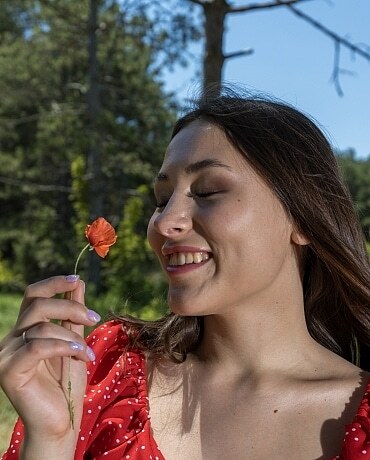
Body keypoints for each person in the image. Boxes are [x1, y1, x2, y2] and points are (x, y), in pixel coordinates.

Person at [1, 91, 370, 460]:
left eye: (208, 191)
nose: (164, 221)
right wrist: (50, 441)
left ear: (303, 219)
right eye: (162, 199)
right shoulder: (101, 372)